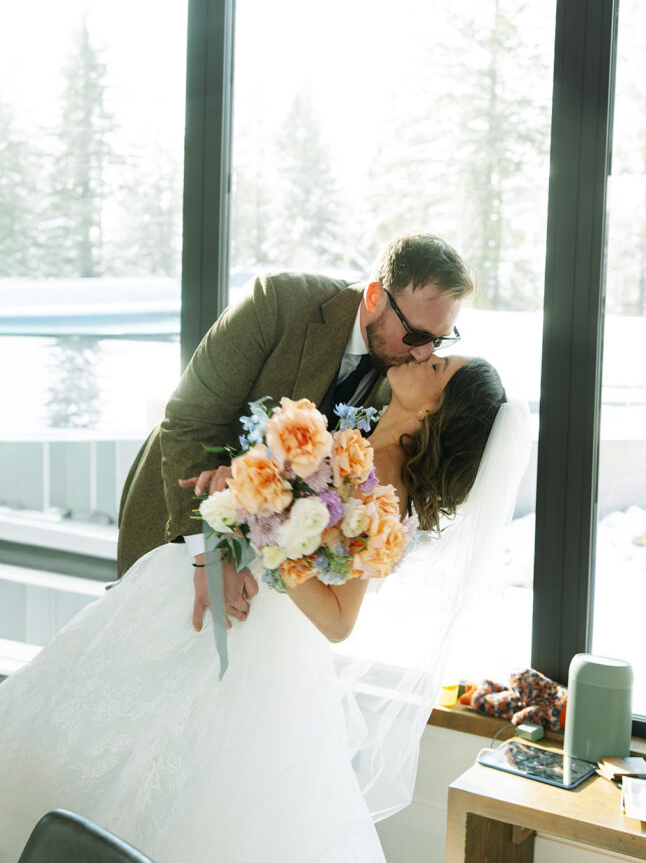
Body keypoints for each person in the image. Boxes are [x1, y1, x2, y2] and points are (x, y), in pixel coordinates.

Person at [0, 352, 515, 863]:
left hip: (253, 638)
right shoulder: (360, 431)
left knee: (190, 795)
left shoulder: (386, 478)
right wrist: (238, 494)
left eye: (438, 366)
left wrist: (267, 534)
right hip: (190, 591)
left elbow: (339, 621)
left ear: (436, 406)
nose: (423, 355)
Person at [117, 234, 475, 631]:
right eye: (417, 336)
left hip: (268, 589)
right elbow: (189, 419)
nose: (424, 353)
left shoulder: (405, 383)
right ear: (375, 297)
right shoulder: (278, 303)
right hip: (181, 526)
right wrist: (210, 555)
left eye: (439, 340)